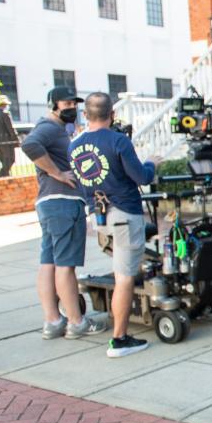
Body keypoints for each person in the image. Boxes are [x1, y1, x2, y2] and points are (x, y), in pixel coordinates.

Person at [69, 93, 158, 356]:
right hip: (124, 214)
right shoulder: (119, 141)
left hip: (100, 216)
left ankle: (121, 333)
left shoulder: (74, 146)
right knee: (125, 278)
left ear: (85, 115)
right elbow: (141, 176)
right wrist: (153, 162)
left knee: (122, 272)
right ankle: (119, 339)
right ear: (113, 114)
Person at [22, 87, 106, 341]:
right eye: (66, 103)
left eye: (74, 103)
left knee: (48, 262)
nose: (71, 107)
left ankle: (52, 320)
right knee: (65, 265)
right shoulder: (48, 127)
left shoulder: (57, 129)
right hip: (62, 201)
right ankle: (76, 321)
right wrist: (57, 173)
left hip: (48, 202)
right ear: (53, 104)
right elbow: (29, 145)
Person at [0, 96, 19, 178]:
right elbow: (10, 128)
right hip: (6, 142)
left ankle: (5, 176)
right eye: (5, 104)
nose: (6, 106)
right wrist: (16, 140)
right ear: (3, 104)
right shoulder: (5, 114)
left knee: (3, 161)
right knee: (10, 160)